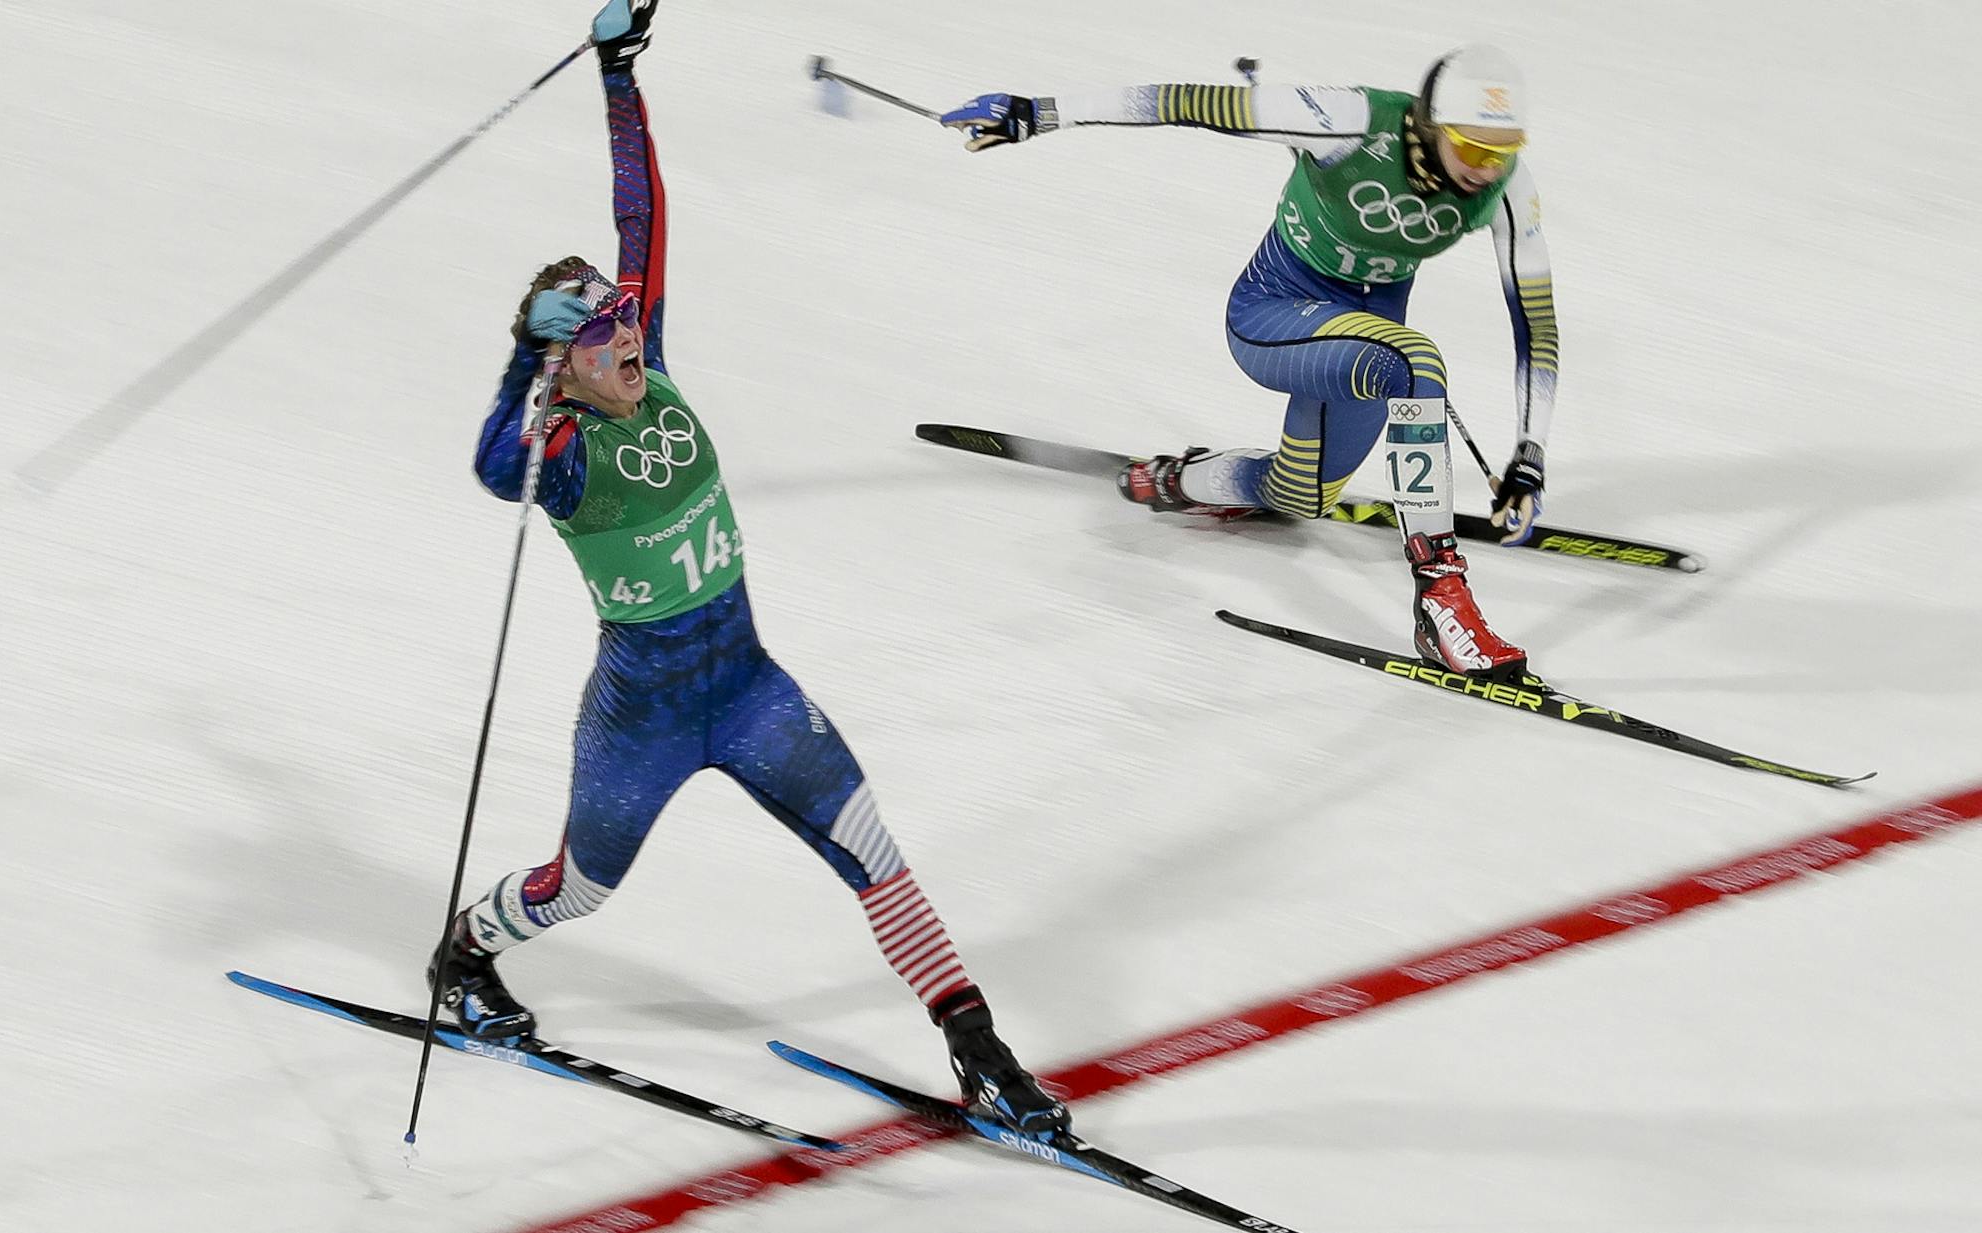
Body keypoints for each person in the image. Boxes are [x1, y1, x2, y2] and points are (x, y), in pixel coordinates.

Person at [430, 0, 1071, 1141]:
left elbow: (643, 211)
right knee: (581, 887)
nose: (627, 336)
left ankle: (982, 1053)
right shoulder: (560, 453)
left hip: (749, 686)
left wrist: (619, 75)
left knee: (874, 851)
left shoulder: (652, 363)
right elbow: (490, 472)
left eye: (626, 318)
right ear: (559, 367)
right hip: (643, 717)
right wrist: (516, 360)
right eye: (600, 335)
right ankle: (464, 954)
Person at [940, 44, 1558, 681]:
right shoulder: (1347, 121)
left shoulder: (1510, 188)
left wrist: (1530, 452)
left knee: (1301, 497)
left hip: (1358, 351)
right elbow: (1187, 104)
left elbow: (1535, 320)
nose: (1487, 169)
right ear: (1430, 124)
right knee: (1413, 359)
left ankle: (1187, 480)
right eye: (1474, 148)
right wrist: (1041, 112)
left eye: (1502, 152)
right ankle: (1442, 599)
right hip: (1274, 316)